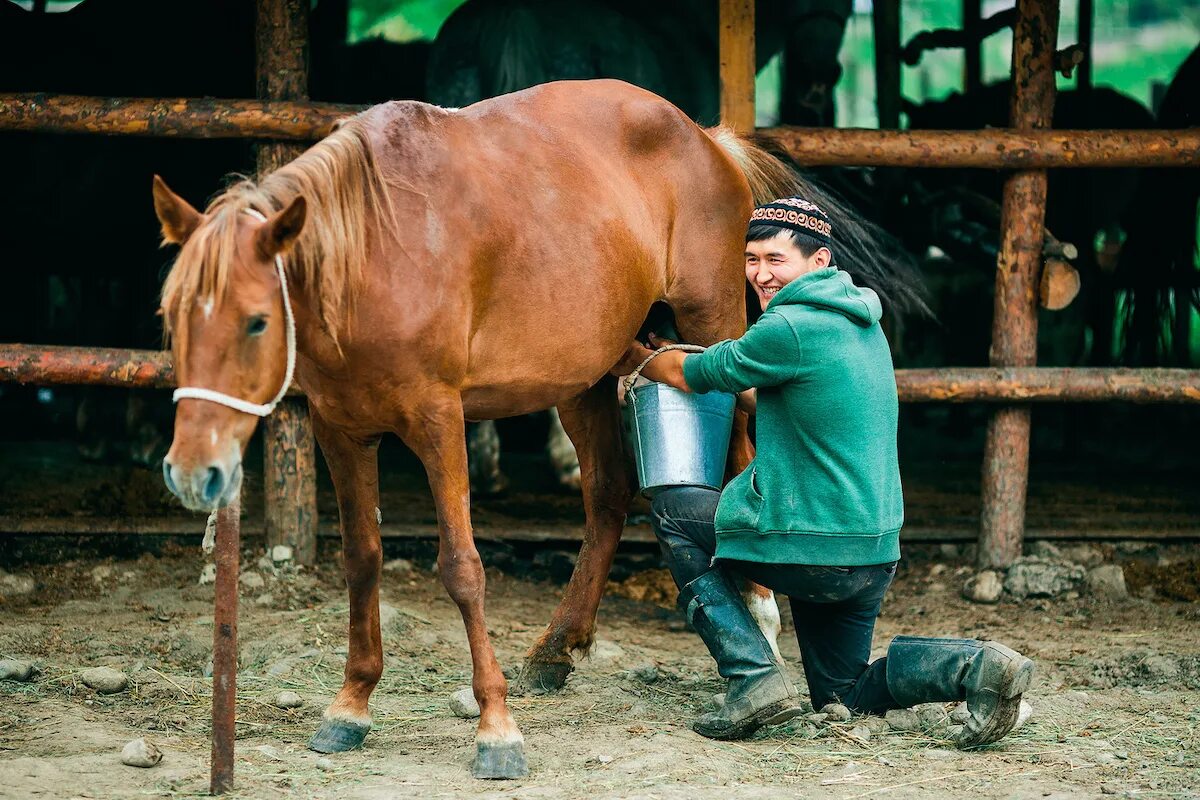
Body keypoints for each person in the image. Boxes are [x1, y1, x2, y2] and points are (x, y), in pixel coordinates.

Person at [611, 196, 1033, 747]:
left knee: (673, 509)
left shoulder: (788, 325)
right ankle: (975, 666)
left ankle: (752, 678)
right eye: (752, 259)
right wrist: (692, 366)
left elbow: (697, 372)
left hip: (813, 545)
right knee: (845, 694)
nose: (761, 274)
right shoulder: (860, 322)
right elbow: (790, 404)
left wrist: (628, 357)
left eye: (775, 260)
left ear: (818, 260)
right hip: (869, 552)